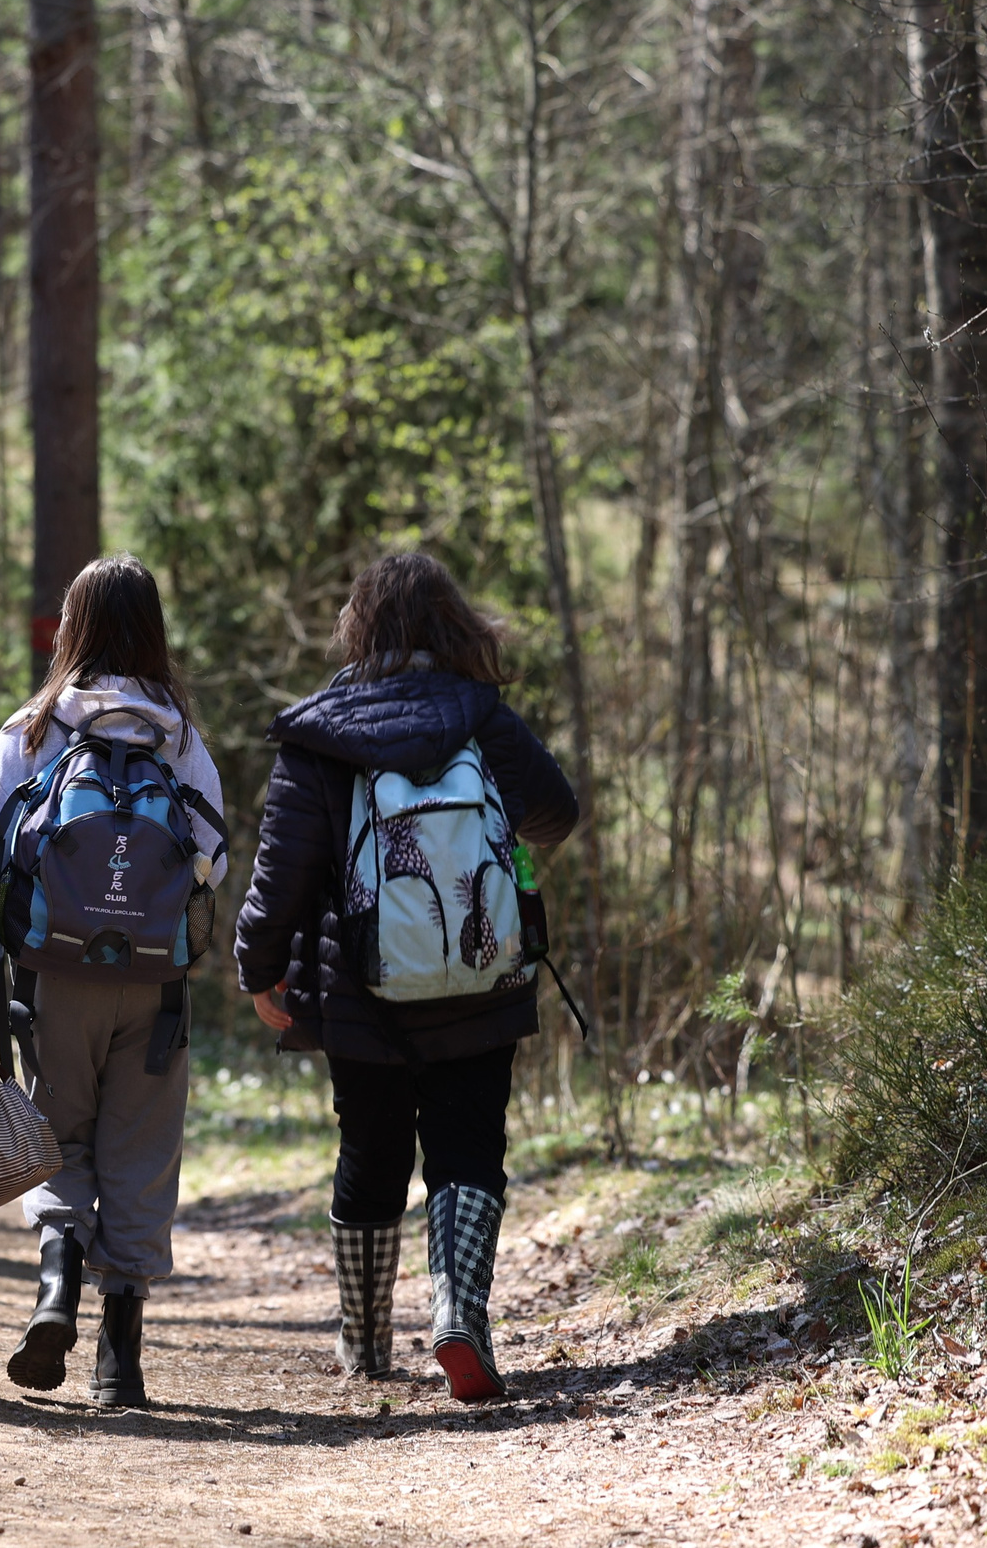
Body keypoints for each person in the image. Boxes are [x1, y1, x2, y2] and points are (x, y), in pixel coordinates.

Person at [232, 552, 578, 1403]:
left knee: (371, 1145)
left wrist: (259, 970)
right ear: (451, 625)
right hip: (480, 975)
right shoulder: (482, 716)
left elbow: (280, 876)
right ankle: (460, 1313)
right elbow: (556, 810)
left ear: (361, 627)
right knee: (468, 1145)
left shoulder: (320, 732)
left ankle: (365, 1338)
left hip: (361, 988)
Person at [0, 555, 226, 1407]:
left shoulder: (30, 733)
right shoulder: (181, 740)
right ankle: (120, 1354)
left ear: (70, 629)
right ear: (155, 632)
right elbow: (214, 859)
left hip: (51, 975)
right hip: (155, 983)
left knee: (58, 1131)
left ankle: (55, 1285)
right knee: (141, 1148)